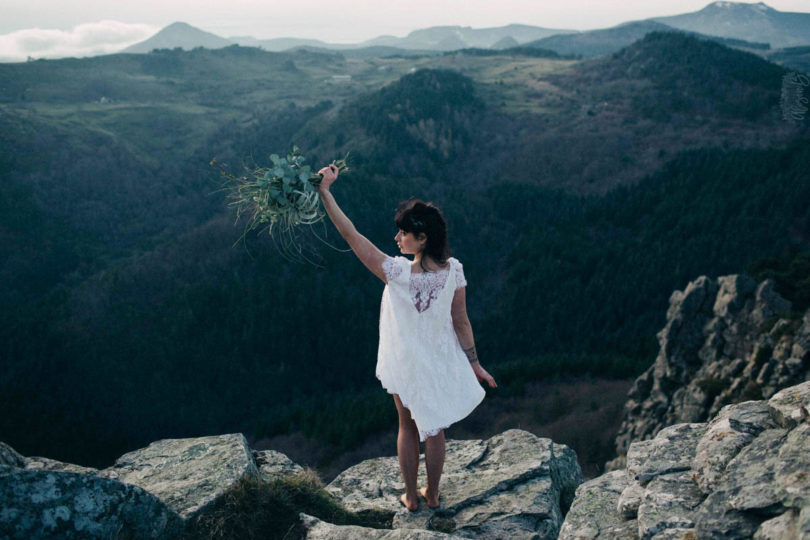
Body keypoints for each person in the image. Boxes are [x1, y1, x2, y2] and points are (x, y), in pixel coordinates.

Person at [316, 163, 497, 512]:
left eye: (403, 233)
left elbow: (351, 235)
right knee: (435, 429)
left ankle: (411, 497)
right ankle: (433, 494)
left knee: (407, 424)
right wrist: (474, 363)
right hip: (439, 359)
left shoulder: (396, 273)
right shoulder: (454, 270)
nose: (397, 239)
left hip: (405, 361)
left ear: (423, 238)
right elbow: (461, 322)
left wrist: (326, 192)